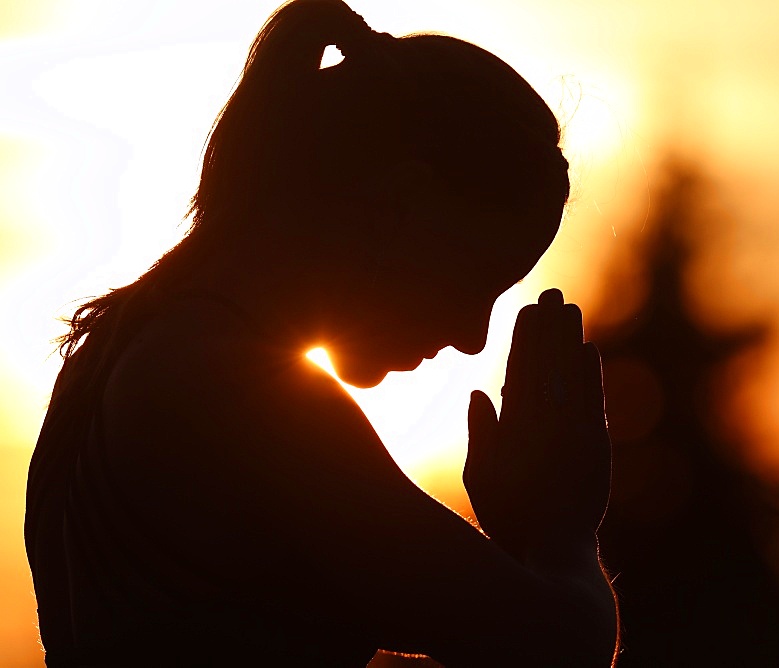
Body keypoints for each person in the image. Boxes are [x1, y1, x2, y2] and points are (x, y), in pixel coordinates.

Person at [25, 1, 618, 665]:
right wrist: (563, 530)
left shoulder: (110, 350)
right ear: (400, 207)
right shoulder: (241, 397)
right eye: (474, 281)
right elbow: (559, 646)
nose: (473, 337)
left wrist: (519, 546)